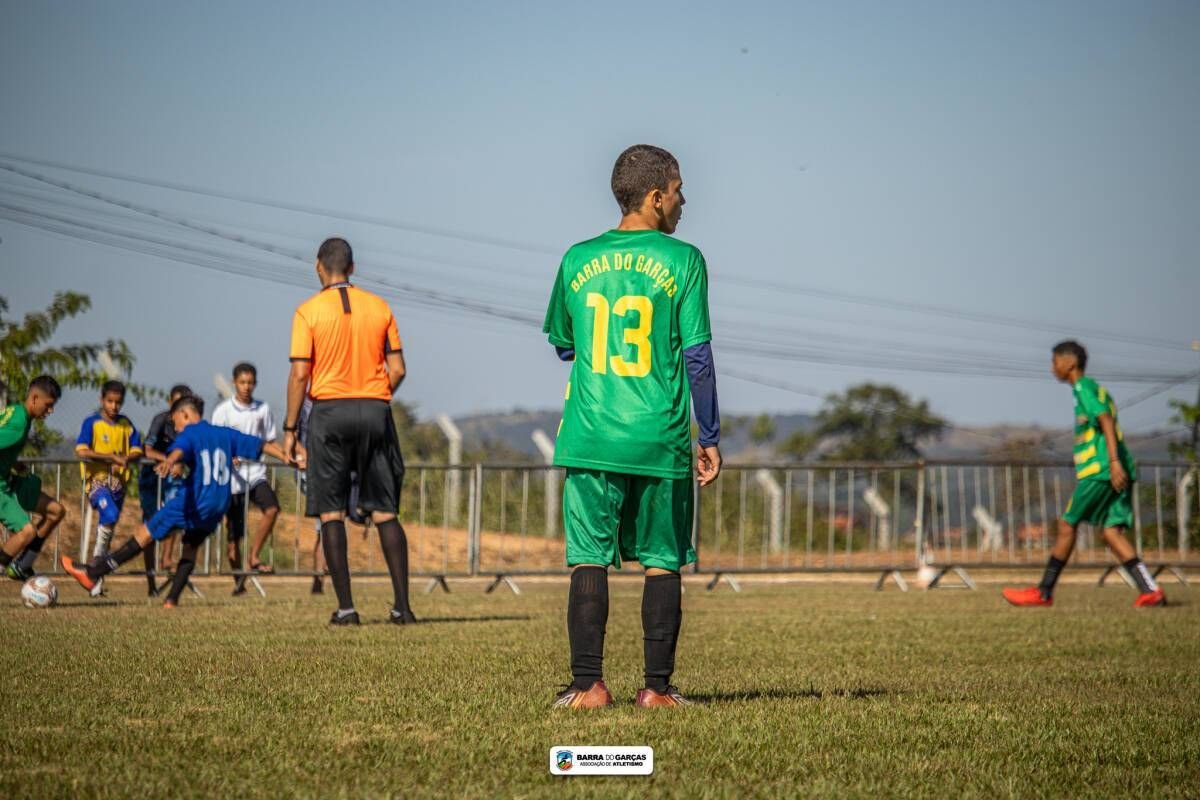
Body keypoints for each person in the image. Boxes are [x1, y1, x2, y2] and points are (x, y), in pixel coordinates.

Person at [542, 145, 722, 709]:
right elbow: (697, 356)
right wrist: (710, 436)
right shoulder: (685, 260)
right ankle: (657, 691)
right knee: (662, 560)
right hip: (659, 435)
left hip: (591, 433)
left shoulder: (576, 258)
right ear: (654, 197)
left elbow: (565, 344)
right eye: (677, 189)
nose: (683, 199)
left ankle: (587, 686)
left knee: (588, 558)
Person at [282, 237, 413, 626]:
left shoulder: (307, 312)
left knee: (331, 510)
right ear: (353, 268)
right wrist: (377, 397)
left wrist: (291, 428)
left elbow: (300, 373)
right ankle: (402, 607)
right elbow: (399, 368)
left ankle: (346, 608)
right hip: (375, 408)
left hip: (329, 412)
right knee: (386, 511)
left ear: (318, 267)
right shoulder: (380, 307)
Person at [61, 394, 291, 608]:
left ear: (186, 414)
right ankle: (171, 600)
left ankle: (93, 573)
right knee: (190, 547)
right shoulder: (224, 433)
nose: (176, 427)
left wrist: (170, 460)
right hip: (219, 504)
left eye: (176, 421)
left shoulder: (190, 433)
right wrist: (287, 457)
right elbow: (262, 445)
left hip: (195, 500)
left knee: (145, 533)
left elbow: (179, 450)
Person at [1003, 340, 1166, 608]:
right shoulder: (1095, 389)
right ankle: (1151, 590)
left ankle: (1043, 592)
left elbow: (1105, 419)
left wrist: (1112, 462)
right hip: (1117, 468)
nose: (1052, 367)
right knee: (1112, 532)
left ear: (1070, 364)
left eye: (1055, 361)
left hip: (1101, 471)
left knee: (1067, 525)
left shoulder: (1083, 388)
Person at [212, 362, 281, 594]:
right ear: (234, 383)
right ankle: (239, 583)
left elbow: (269, 441)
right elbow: (215, 443)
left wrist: (286, 456)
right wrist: (227, 457)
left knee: (272, 509)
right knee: (233, 544)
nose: (246, 387)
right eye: (242, 382)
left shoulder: (262, 409)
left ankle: (254, 555)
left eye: (250, 383)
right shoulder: (222, 411)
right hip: (232, 481)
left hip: (255, 474)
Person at [75, 380, 143, 597]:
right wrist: (109, 458)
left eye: (118, 402)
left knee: (110, 525)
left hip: (119, 484)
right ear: (101, 400)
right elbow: (82, 451)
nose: (114, 406)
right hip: (97, 481)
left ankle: (94, 575)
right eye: (110, 401)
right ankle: (96, 562)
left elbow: (137, 450)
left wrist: (126, 458)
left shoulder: (127, 425)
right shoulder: (92, 423)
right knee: (110, 513)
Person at [0, 377, 66, 578]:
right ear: (35, 398)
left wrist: (13, 463)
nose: (50, 411)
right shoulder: (19, 423)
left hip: (9, 480)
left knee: (56, 511)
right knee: (26, 532)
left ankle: (22, 566)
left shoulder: (18, 413)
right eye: (48, 405)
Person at [138, 383, 192, 596]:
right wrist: (169, 461)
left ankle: (167, 558)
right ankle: (151, 583)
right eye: (176, 404)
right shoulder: (160, 420)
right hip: (151, 477)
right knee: (149, 528)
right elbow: (147, 449)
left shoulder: (190, 426)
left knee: (176, 511)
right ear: (170, 403)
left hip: (173, 476)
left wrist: (180, 463)